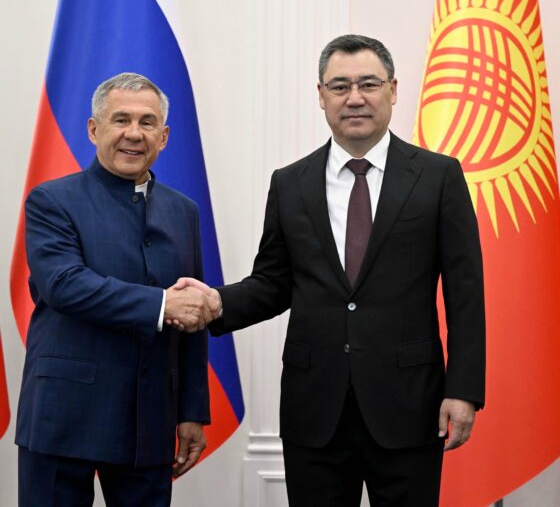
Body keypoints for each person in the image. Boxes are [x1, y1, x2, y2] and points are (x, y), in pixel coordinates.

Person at [176, 34, 486, 506]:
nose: (354, 97)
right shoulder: (290, 183)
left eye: (368, 84)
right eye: (340, 86)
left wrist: (463, 390)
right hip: (314, 408)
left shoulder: (439, 176)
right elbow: (274, 283)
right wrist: (218, 302)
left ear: (393, 90)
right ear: (321, 96)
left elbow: (465, 293)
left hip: (409, 405)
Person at [16, 73, 212, 507]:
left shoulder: (184, 211)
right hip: (64, 418)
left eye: (147, 122)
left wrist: (192, 411)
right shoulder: (52, 200)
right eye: (121, 119)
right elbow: (65, 285)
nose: (133, 134)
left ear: (164, 137)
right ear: (94, 129)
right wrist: (162, 303)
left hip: (149, 420)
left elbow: (191, 315)